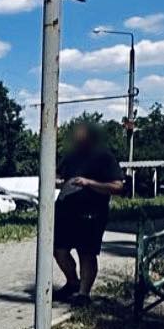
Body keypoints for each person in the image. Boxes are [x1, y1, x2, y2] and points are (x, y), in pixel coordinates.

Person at [53, 123, 125, 307]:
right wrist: (59, 183)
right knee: (58, 250)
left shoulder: (103, 157)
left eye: (81, 132)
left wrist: (88, 183)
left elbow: (118, 186)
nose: (77, 136)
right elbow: (57, 176)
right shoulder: (70, 156)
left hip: (92, 214)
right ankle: (72, 282)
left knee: (86, 253)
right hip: (66, 212)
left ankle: (83, 294)